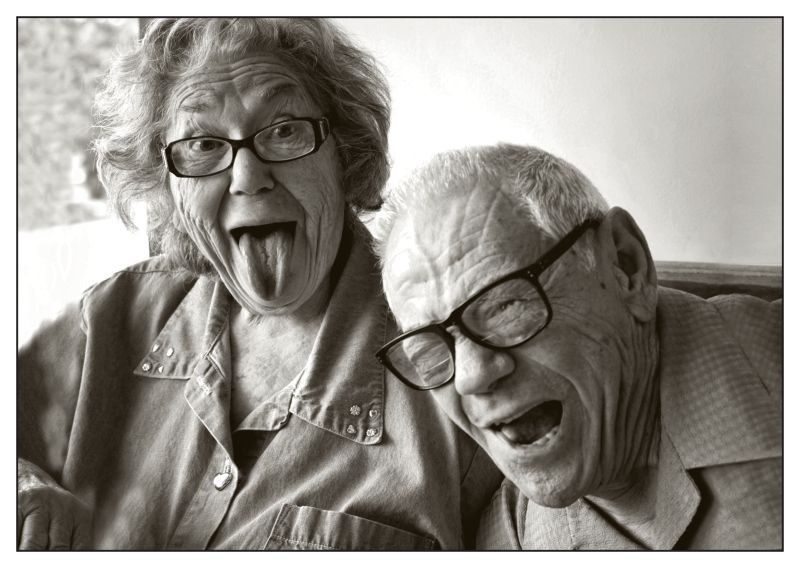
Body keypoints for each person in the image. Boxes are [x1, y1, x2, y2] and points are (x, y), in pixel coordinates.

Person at [17, 18, 501, 550]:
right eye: (202, 144)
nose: (248, 178)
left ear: (343, 152)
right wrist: (23, 486)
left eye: (285, 130)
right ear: (166, 184)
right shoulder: (110, 316)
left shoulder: (457, 367)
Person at [372, 144, 782, 549]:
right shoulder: (512, 539)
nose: (470, 376)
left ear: (626, 266)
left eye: (504, 306)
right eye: (428, 353)